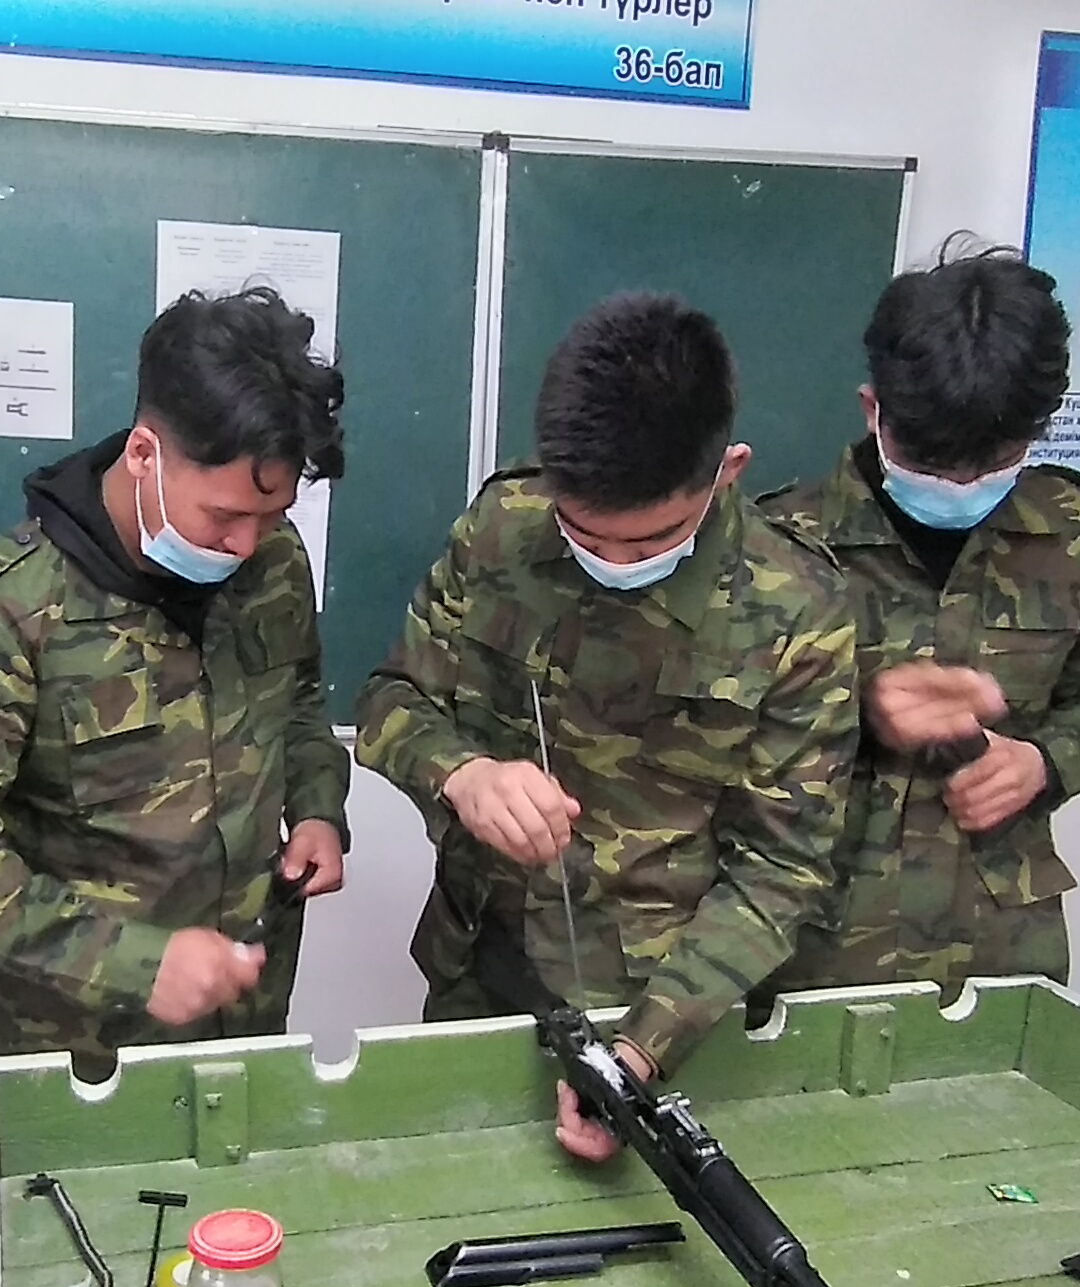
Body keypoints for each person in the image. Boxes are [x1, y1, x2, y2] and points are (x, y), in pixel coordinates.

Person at [353, 293, 859, 1159]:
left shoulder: (797, 611)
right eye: (584, 534)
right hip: (479, 971)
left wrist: (639, 1055)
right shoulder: (504, 529)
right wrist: (462, 774)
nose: (612, 563)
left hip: (669, 1007)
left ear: (727, 471)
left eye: (649, 542)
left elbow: (784, 869)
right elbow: (391, 700)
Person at [0, 288, 349, 1080]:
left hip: (248, 1009)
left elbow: (299, 701)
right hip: (87, 1047)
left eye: (272, 517)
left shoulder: (274, 565)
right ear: (143, 455)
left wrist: (316, 808)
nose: (247, 544)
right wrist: (134, 963)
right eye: (224, 516)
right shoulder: (14, 604)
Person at [759, 240, 1080, 1000]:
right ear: (873, 409)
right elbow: (697, 740)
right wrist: (855, 710)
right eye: (932, 465)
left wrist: (1045, 763)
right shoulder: (778, 544)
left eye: (989, 465)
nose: (959, 484)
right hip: (806, 947)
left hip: (997, 947)